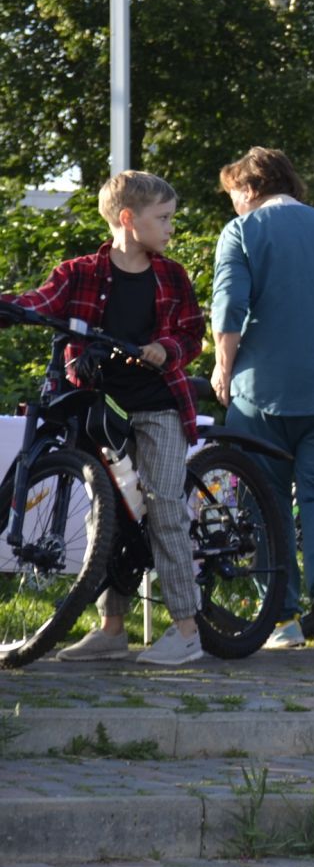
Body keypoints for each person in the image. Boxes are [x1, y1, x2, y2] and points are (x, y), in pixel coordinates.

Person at [0, 172, 206, 665]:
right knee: (106, 511)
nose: (171, 228)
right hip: (100, 409)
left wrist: (166, 348)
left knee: (162, 507)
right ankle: (112, 629)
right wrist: (10, 308)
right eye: (164, 219)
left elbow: (192, 332)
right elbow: (41, 301)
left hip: (156, 405)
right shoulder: (79, 273)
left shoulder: (172, 274)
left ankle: (187, 630)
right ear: (128, 220)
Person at [211, 147, 314, 651]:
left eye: (233, 196)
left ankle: (279, 619)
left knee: (262, 496)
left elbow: (229, 304)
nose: (234, 206)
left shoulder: (242, 231)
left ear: (247, 188)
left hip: (262, 392)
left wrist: (223, 367)